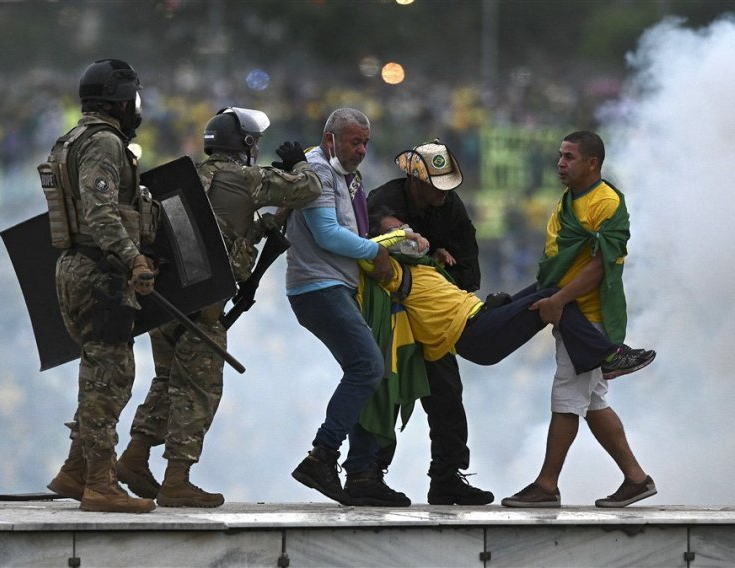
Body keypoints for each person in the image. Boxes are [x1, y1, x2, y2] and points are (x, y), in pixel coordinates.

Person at [115, 108, 323, 508]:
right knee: (199, 389)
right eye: (254, 142)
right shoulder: (247, 178)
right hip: (204, 308)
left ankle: (135, 458)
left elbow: (218, 231)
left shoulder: (186, 177)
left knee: (167, 381)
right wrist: (299, 163)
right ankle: (177, 479)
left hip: (167, 301)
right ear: (244, 145)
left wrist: (261, 226)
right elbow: (309, 189)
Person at [501, 130, 657, 508]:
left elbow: (601, 265)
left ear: (593, 163)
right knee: (593, 404)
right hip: (567, 311)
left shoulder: (606, 203)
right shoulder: (568, 201)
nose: (560, 163)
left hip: (590, 318)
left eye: (569, 157)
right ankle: (637, 480)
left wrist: (559, 299)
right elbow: (559, 261)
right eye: (560, 155)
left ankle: (546, 485)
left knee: (567, 398)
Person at [45, 59, 158, 513]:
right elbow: (100, 211)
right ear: (119, 101)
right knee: (109, 380)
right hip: (100, 271)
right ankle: (99, 484)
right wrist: (134, 259)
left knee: (98, 374)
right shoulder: (104, 143)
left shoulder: (70, 139)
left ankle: (74, 471)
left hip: (76, 265)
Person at [285, 107, 412, 507]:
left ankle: (360, 472)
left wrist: (394, 240)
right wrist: (376, 250)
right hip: (318, 287)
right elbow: (327, 234)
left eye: (366, 142)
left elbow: (350, 233)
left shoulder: (345, 177)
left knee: (366, 373)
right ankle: (322, 456)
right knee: (368, 367)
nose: (361, 149)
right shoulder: (318, 172)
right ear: (330, 140)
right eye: (355, 141)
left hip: (337, 286)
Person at [360, 210, 654, 380]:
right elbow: (366, 253)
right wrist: (401, 237)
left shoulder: (422, 265)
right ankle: (606, 356)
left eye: (405, 226)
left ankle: (596, 357)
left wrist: (431, 254)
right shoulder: (394, 272)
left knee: (548, 284)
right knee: (553, 296)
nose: (406, 232)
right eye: (397, 230)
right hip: (473, 337)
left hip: (482, 319)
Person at [367, 139, 493, 506]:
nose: (444, 194)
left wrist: (437, 266)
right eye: (436, 186)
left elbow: (470, 271)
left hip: (434, 318)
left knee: (447, 395)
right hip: (392, 317)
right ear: (415, 181)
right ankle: (369, 473)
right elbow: (371, 249)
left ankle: (447, 477)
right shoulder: (383, 201)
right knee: (385, 393)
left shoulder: (451, 208)